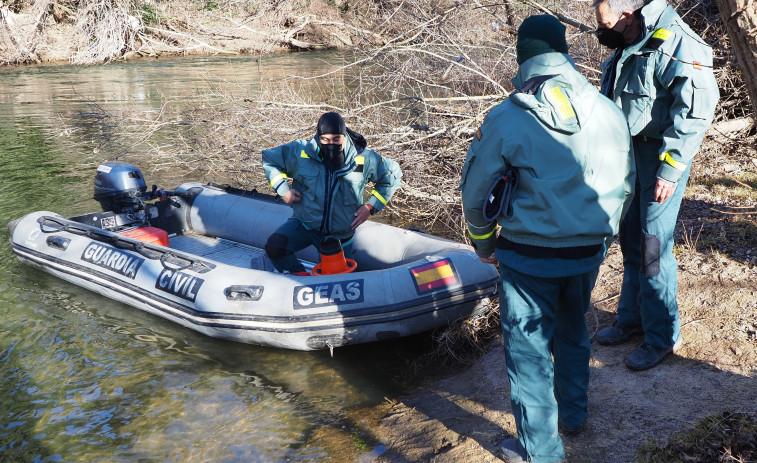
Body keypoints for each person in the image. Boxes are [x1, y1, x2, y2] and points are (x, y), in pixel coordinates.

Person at [459, 15, 635, 463]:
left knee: (528, 351)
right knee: (573, 331)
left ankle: (541, 452)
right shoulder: (608, 110)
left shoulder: (506, 117)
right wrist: (603, 239)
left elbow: (476, 193)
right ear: (564, 53)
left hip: (527, 257)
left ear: (524, 58)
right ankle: (573, 416)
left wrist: (484, 245)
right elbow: (626, 184)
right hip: (586, 252)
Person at [593, 0, 719, 370]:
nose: (602, 32)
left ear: (629, 17)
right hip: (627, 155)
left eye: (606, 24)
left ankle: (662, 336)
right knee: (630, 238)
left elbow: (695, 113)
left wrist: (670, 170)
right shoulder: (631, 38)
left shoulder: (680, 42)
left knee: (653, 246)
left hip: (659, 158)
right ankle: (631, 319)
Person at [262, 112, 402, 273]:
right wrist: (283, 190)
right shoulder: (301, 153)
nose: (331, 144)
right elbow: (269, 160)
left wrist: (370, 207)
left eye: (336, 139)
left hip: (340, 235)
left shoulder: (364, 159)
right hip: (306, 225)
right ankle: (300, 277)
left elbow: (392, 175)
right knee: (275, 247)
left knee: (337, 279)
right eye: (325, 139)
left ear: (344, 135)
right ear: (318, 137)